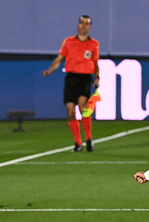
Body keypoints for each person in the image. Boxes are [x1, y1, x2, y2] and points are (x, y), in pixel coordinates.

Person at [44, 15, 100, 152]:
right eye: (81, 23)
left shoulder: (94, 44)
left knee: (83, 107)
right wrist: (50, 70)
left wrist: (97, 77)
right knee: (70, 111)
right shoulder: (68, 42)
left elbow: (96, 63)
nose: (83, 26)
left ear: (90, 27)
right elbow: (59, 58)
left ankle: (88, 138)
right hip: (71, 78)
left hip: (85, 78)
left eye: (87, 24)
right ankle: (78, 142)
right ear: (77, 25)